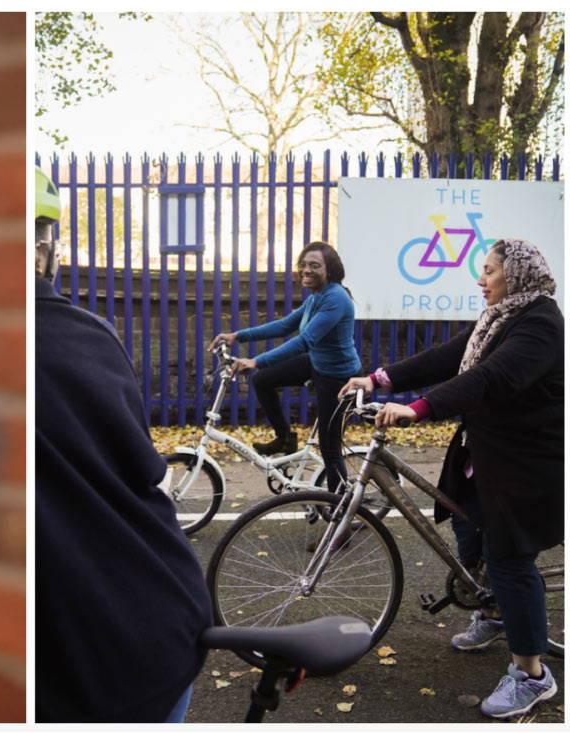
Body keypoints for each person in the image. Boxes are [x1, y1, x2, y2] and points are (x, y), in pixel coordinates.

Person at [339, 238, 562, 720]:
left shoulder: (541, 322)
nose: (481, 281)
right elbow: (447, 356)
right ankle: (495, 613)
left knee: (508, 558)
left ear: (517, 275)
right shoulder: (498, 317)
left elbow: (492, 378)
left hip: (525, 461)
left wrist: (418, 409)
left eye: (490, 271)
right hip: (484, 450)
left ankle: (532, 676)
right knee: (465, 524)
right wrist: (378, 380)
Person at [34, 167, 212, 722]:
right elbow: (146, 470)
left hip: (88, 666)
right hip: (157, 622)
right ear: (46, 250)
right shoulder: (91, 334)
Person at [211, 241, 361, 491]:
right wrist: (237, 335)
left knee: (330, 447)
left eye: (314, 265)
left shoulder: (336, 299)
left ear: (330, 269)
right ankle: (285, 439)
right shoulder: (317, 297)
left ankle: (339, 506)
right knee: (263, 380)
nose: (306, 270)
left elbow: (305, 341)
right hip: (317, 363)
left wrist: (256, 360)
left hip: (339, 378)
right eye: (303, 265)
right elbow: (284, 326)